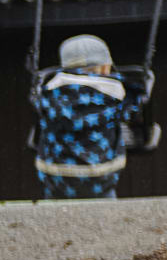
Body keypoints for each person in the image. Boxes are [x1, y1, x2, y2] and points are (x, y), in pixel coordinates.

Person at [31, 32, 148, 198]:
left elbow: (37, 105)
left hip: (56, 176)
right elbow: (135, 108)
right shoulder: (117, 94)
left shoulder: (48, 94)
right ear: (104, 67)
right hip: (102, 176)